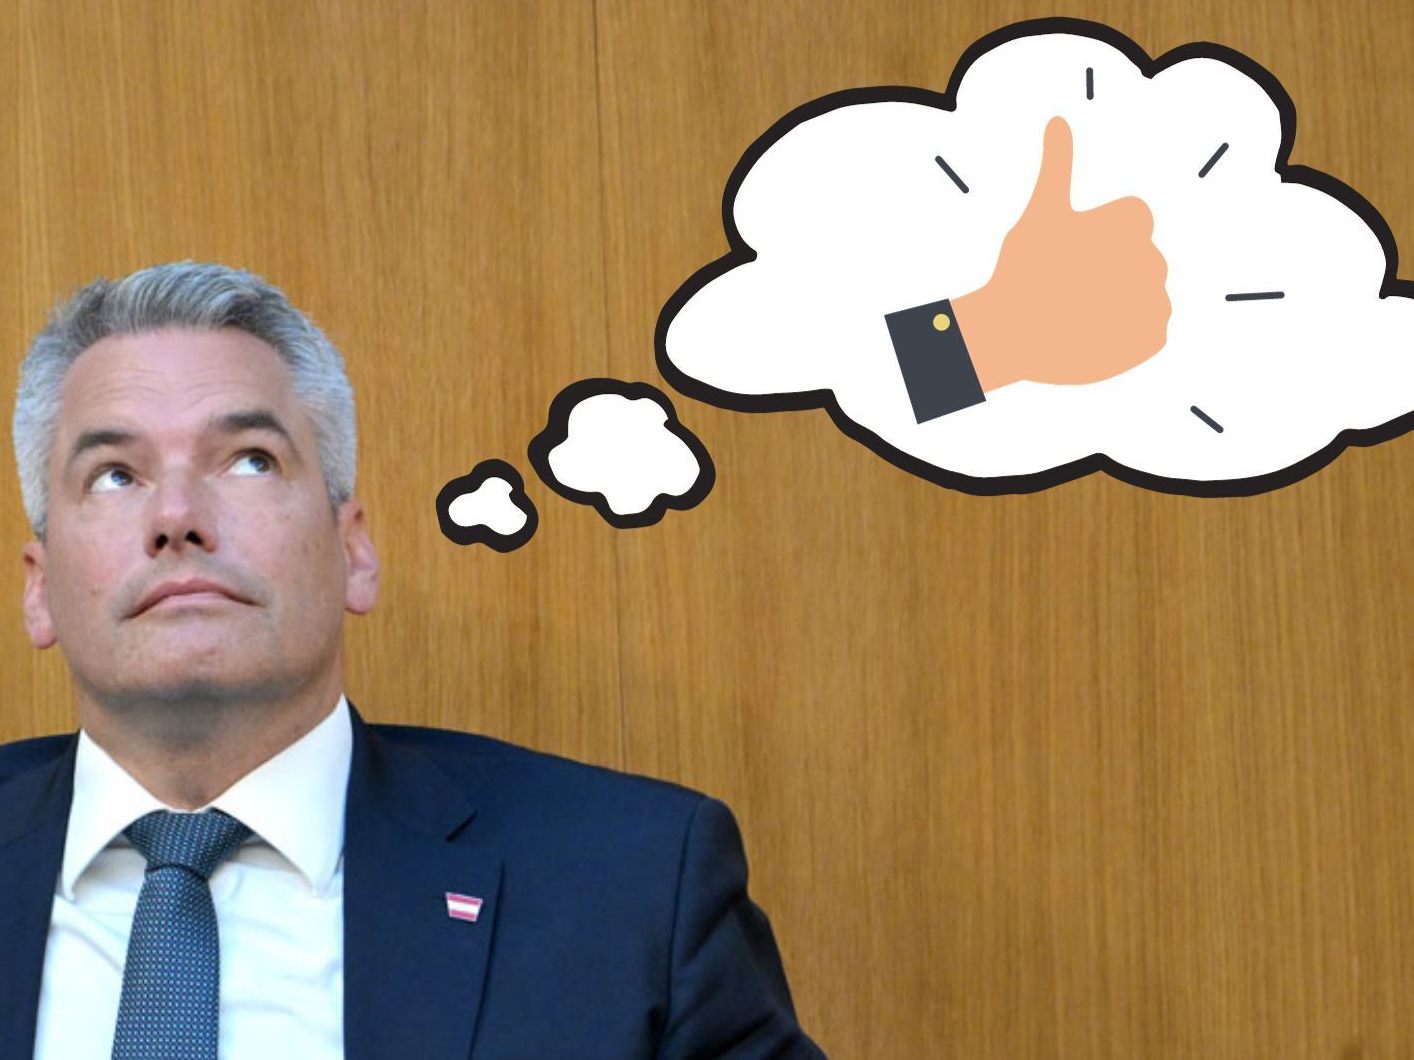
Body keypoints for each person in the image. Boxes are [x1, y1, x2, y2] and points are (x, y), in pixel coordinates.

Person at [0, 261, 824, 1059]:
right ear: (39, 590)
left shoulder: (633, 885)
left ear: (353, 552)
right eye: (114, 475)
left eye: (251, 460)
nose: (177, 517)